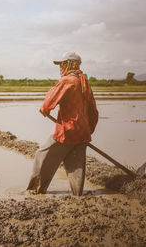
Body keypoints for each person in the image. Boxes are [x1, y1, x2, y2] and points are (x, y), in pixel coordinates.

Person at [27, 51, 98, 196]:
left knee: (42, 154)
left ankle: (35, 190)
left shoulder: (67, 81)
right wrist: (88, 129)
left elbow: (48, 102)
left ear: (70, 64)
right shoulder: (84, 81)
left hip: (67, 130)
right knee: (76, 164)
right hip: (82, 131)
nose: (60, 67)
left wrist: (45, 109)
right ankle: (78, 194)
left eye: (62, 64)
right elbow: (93, 110)